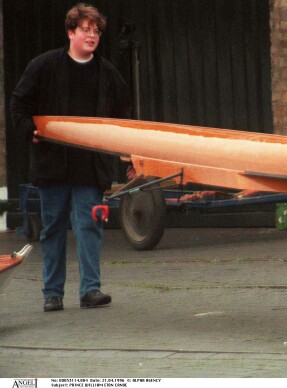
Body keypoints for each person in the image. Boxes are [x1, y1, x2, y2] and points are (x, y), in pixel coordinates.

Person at [10, 3, 131, 312]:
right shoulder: (43, 66)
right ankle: (52, 293)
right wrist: (30, 131)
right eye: (86, 30)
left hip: (90, 167)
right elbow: (19, 103)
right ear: (71, 32)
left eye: (96, 31)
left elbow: (122, 114)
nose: (92, 35)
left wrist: (123, 151)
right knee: (52, 230)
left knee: (89, 226)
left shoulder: (108, 73)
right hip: (53, 166)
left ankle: (90, 290)